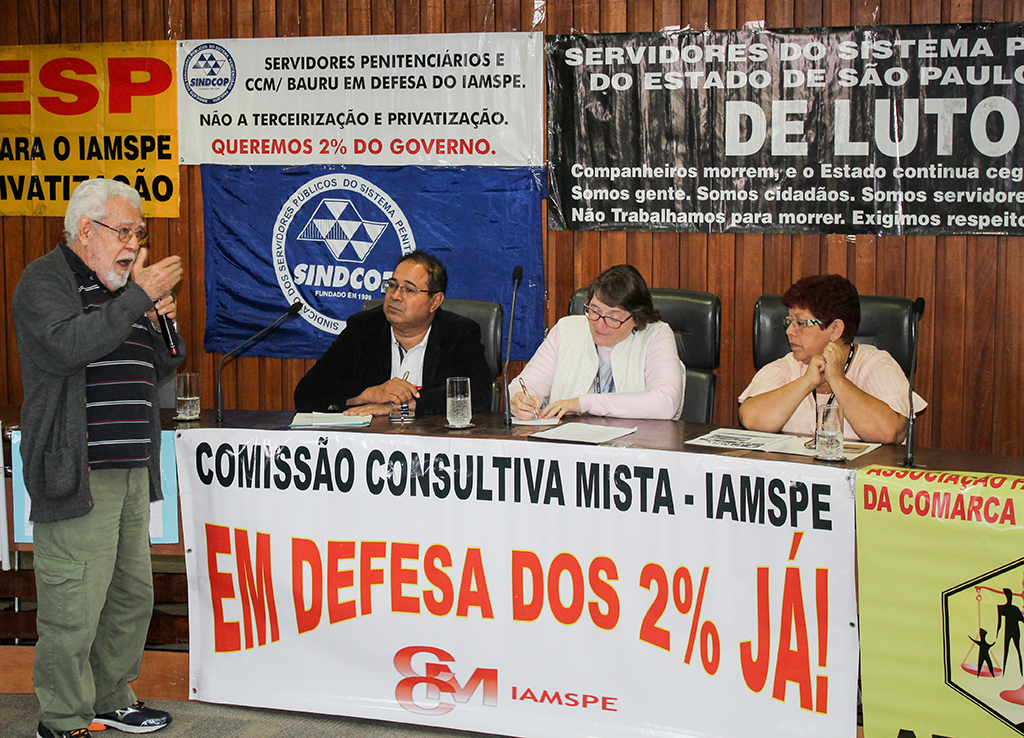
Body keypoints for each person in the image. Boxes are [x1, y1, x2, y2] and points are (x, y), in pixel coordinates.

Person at [13, 179, 183, 738]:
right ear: (86, 230)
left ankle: (112, 697)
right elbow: (67, 347)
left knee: (131, 595)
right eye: (125, 231)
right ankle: (62, 717)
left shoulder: (121, 290)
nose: (134, 243)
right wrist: (136, 297)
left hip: (133, 466)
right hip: (78, 469)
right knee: (74, 604)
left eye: (139, 233)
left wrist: (159, 316)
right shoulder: (46, 279)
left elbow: (158, 368)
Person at [294, 251, 492, 416]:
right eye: (392, 285)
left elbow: (477, 397)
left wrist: (398, 407)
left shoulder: (459, 334)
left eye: (409, 290)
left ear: (435, 302)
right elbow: (306, 394)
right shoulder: (363, 329)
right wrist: (369, 394)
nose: (395, 296)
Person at [738, 274, 926, 443]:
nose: (789, 331)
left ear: (835, 329)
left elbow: (890, 433)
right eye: (789, 321)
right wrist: (806, 382)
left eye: (801, 323)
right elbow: (750, 419)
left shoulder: (877, 365)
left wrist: (837, 379)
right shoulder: (788, 365)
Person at [509, 264, 684, 420]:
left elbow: (665, 403)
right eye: (594, 310)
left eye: (614, 317)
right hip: (568, 448)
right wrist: (522, 401)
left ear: (637, 318)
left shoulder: (656, 335)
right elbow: (524, 385)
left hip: (635, 448)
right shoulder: (567, 329)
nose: (600, 324)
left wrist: (583, 403)